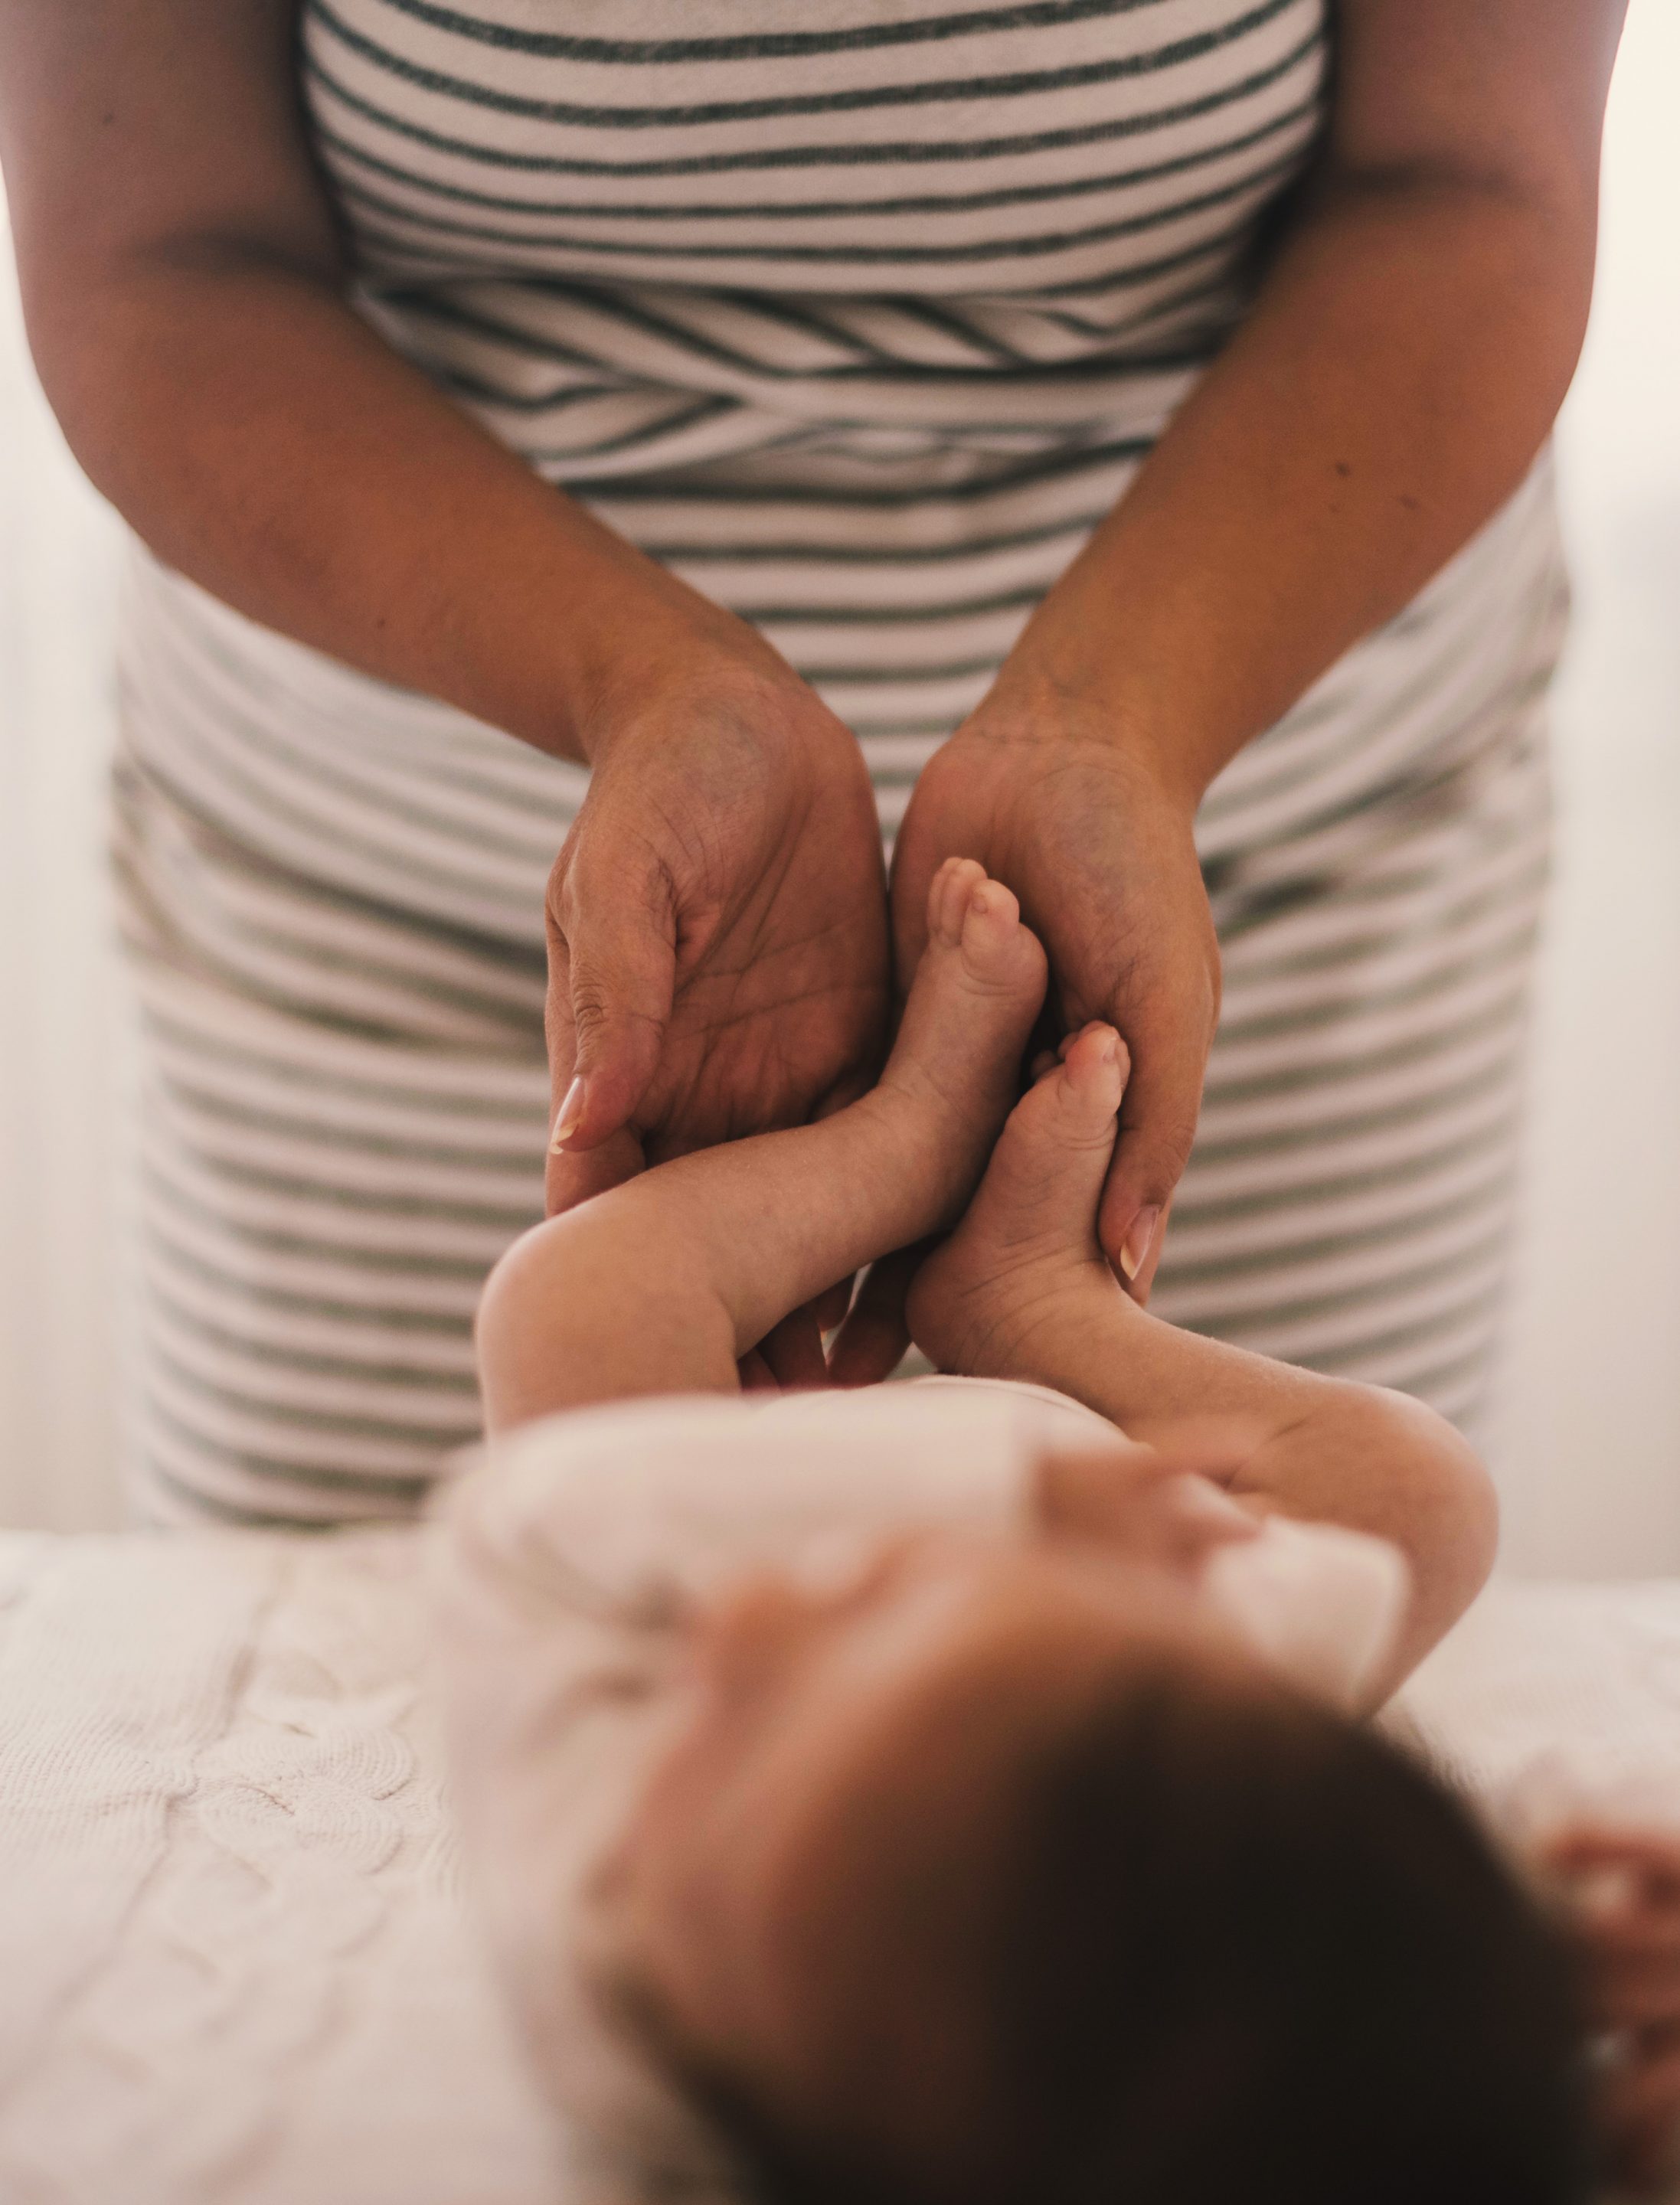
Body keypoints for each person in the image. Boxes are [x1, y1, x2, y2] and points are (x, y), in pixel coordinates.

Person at [0, 0, 1630, 1523]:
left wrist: (896, 1146)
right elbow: (1402, 1511)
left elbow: (1468, 191)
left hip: (1256, 842)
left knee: (371, 1639)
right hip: (412, 867)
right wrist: (1038, 1315)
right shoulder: (1237, 1769)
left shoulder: (627, 1714)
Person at [440, 860, 1674, 2203]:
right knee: (1422, 1499)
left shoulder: (607, 1938)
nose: (749, 1622)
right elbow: (1328, 1959)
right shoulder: (1158, 1865)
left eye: (731, 1731)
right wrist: (1538, 1946)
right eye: (868, 1611)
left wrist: (996, 1514)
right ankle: (1029, 1305)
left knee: (562, 1313)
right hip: (1115, 1595)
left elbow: (521, 1526)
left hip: (681, 1504)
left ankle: (900, 1148)